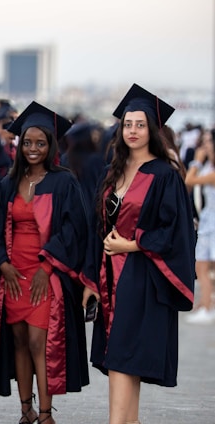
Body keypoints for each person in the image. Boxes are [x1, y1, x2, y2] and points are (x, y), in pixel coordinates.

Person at [81, 84, 195, 424]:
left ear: (153, 130)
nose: (132, 130)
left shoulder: (164, 175)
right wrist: (90, 280)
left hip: (143, 278)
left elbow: (177, 230)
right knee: (120, 358)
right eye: (127, 124)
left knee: (122, 355)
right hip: (110, 276)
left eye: (140, 124)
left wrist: (132, 244)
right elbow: (96, 228)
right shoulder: (111, 171)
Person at [0, 102, 89, 424]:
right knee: (18, 340)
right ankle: (25, 410)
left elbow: (74, 229)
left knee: (38, 342)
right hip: (14, 273)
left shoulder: (64, 182)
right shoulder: (7, 184)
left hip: (45, 273)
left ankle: (45, 413)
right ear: (19, 145)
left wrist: (47, 267)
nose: (33, 149)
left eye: (40, 143)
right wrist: (2, 264)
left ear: (51, 146)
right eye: (27, 143)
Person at [185, 128, 215, 323]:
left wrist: (196, 160)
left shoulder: (210, 170)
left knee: (202, 266)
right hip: (206, 220)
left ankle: (208, 306)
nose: (204, 146)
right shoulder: (209, 166)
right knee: (204, 266)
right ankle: (206, 303)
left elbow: (190, 181)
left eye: (207, 142)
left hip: (211, 223)